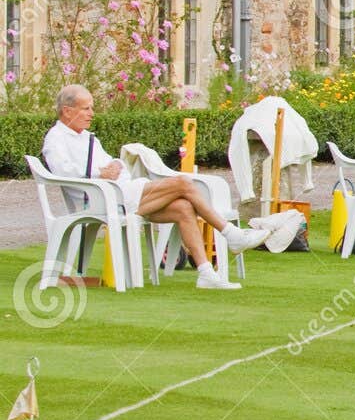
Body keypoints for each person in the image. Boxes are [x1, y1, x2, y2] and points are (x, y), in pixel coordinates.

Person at [41, 85, 270, 290]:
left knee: (183, 207)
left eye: (91, 108)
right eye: (86, 109)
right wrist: (100, 173)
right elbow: (62, 171)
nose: (92, 113)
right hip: (102, 200)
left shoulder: (89, 138)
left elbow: (114, 164)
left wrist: (116, 165)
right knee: (183, 183)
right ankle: (231, 234)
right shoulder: (56, 138)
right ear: (67, 111)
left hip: (122, 194)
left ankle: (206, 273)